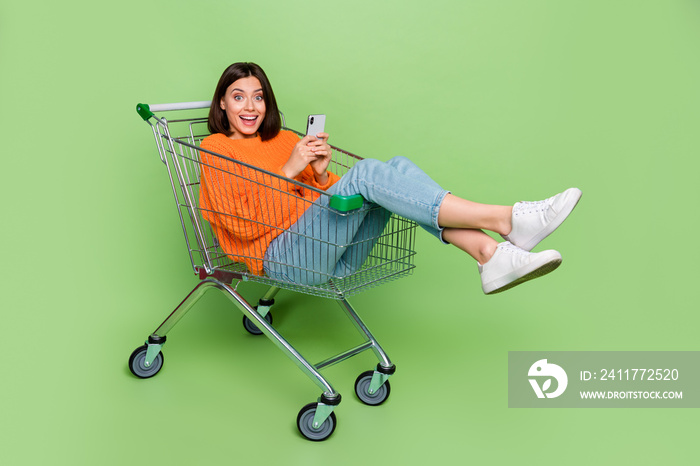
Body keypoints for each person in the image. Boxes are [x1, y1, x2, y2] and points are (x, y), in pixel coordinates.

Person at [199, 62, 582, 294]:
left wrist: (318, 173)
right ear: (222, 102)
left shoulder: (283, 138)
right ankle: (504, 220)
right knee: (366, 173)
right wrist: (288, 170)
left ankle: (490, 254)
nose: (250, 106)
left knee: (397, 167)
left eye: (259, 96)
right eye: (238, 96)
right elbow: (240, 224)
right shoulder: (216, 148)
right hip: (284, 259)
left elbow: (324, 199)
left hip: (329, 250)